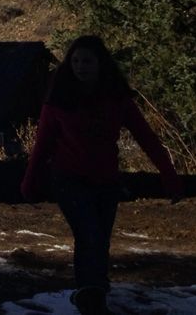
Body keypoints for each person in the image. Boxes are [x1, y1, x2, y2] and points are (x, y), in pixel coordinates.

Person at [20, 35, 184, 315]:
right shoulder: (58, 99)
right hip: (68, 177)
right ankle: (90, 297)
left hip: (106, 180)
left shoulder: (116, 99)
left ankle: (95, 290)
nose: (81, 66)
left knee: (100, 239)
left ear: (100, 64)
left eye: (87, 61)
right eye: (75, 61)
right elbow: (42, 144)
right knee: (89, 234)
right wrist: (30, 180)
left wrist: (168, 174)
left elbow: (146, 138)